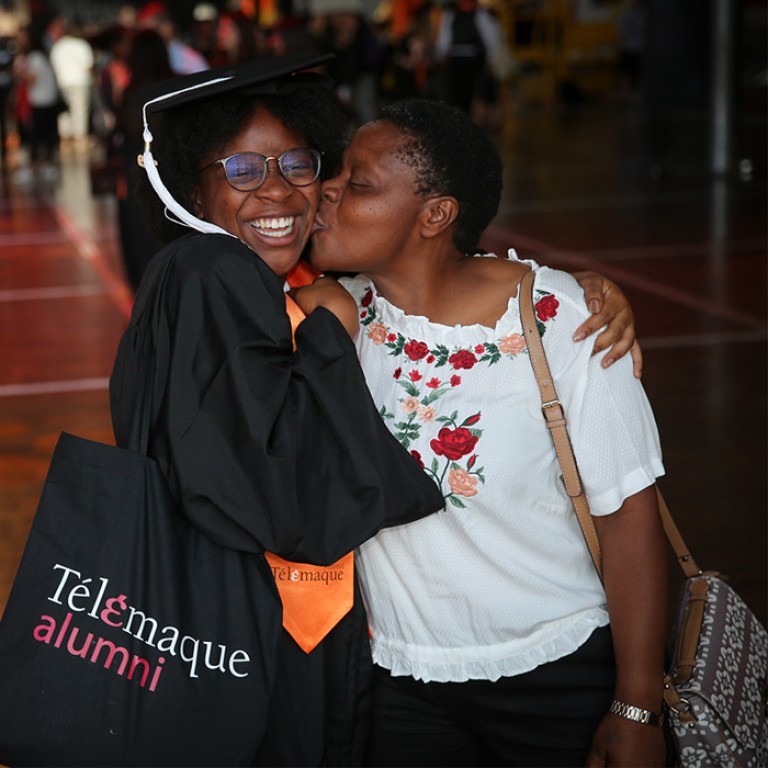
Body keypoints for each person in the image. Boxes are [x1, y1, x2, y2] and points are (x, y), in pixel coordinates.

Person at [309, 98, 668, 767]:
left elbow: (628, 517)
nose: (326, 192)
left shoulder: (559, 318)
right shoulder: (334, 319)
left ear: (435, 215)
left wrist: (637, 705)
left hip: (557, 674)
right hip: (399, 678)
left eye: (358, 183)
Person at [109, 53, 445, 765]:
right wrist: (329, 332)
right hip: (253, 635)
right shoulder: (212, 272)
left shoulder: (227, 278)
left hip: (252, 624)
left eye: (296, 164)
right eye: (241, 170)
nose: (276, 190)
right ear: (192, 190)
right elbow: (267, 489)